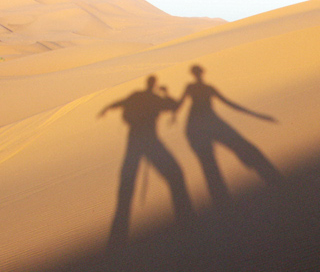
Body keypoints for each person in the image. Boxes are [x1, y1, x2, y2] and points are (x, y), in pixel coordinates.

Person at [99, 75, 193, 243]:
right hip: (149, 140)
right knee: (175, 174)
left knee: (128, 178)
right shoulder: (155, 98)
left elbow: (120, 103)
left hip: (134, 139)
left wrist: (106, 108)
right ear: (154, 85)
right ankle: (185, 217)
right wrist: (166, 93)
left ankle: (119, 230)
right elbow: (174, 106)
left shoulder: (137, 95)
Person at [177, 64, 282, 205]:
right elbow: (177, 106)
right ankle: (221, 199)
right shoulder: (192, 87)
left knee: (240, 149)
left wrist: (258, 115)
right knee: (209, 163)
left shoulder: (207, 88)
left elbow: (230, 104)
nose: (199, 75)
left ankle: (273, 178)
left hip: (209, 122)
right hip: (197, 127)